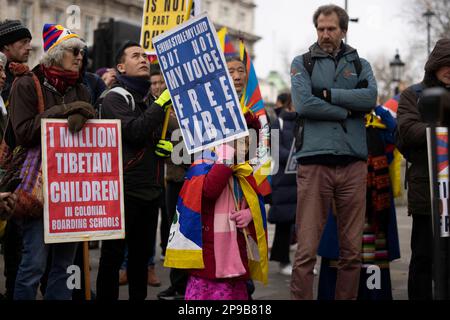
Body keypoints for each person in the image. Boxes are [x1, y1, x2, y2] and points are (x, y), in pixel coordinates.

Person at [290, 4, 377, 300]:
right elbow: (303, 105)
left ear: (344, 30)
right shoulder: (302, 63)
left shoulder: (361, 64)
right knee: (305, 251)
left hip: (353, 163)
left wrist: (327, 95)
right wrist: (345, 111)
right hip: (314, 163)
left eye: (331, 29)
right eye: (321, 29)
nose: (325, 34)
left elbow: (370, 98)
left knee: (352, 252)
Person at [9, 24, 95, 300]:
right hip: (40, 190)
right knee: (33, 265)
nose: (80, 56)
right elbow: (23, 132)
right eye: (74, 50)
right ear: (56, 54)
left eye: (82, 51)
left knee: (64, 265)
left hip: (71, 192)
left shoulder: (81, 88)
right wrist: (66, 110)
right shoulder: (26, 84)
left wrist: (86, 111)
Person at [95, 41, 173, 300]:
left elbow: (147, 136)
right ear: (120, 66)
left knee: (140, 259)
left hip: (150, 190)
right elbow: (135, 132)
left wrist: (162, 148)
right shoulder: (114, 97)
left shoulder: (148, 98)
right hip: (123, 191)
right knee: (113, 257)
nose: (143, 59)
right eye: (135, 56)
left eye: (144, 55)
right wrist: (160, 104)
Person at [317, 105, 401, 300]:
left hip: (374, 211)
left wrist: (381, 112)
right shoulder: (334, 126)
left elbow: (398, 136)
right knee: (336, 263)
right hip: (341, 207)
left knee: (373, 267)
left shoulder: (379, 128)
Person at [397, 38, 450, 300]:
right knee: (423, 257)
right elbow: (406, 132)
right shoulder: (413, 95)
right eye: (444, 64)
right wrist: (440, 131)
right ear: (434, 65)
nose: (449, 69)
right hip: (427, 190)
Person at [0, 20, 32, 300]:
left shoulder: (27, 78)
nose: (29, 47)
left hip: (19, 173)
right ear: (7, 46)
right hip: (4, 172)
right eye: (23, 42)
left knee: (18, 240)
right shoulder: (5, 82)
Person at [267, 93, 297, 276]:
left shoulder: (304, 122)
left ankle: (300, 261)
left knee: (301, 223)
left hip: (300, 180)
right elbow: (276, 150)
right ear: (289, 106)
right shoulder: (278, 123)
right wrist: (297, 157)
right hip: (283, 180)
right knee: (284, 223)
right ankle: (283, 260)